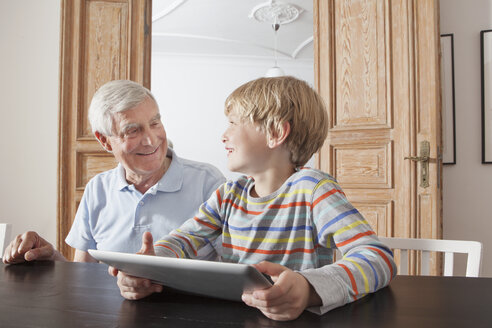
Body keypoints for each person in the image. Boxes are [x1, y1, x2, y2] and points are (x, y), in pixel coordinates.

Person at [112, 76, 397, 321]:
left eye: (233, 123)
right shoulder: (228, 194)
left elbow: (378, 258)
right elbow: (185, 239)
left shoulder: (313, 189)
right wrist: (151, 264)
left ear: (275, 133)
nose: (223, 135)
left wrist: (308, 288)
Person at [2, 80, 225, 264]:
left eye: (155, 123)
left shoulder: (208, 183)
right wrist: (48, 259)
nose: (150, 140)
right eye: (133, 130)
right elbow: (82, 277)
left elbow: (234, 271)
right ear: (104, 141)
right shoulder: (97, 189)